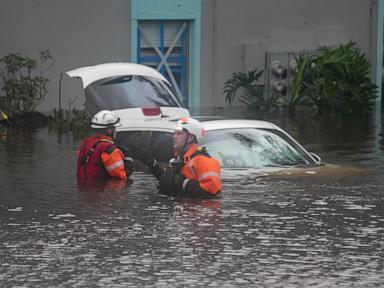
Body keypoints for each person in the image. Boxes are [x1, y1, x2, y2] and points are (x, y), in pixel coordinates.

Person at [137, 117, 222, 198]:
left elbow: (212, 191)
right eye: (174, 133)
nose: (174, 137)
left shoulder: (204, 161)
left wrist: (184, 182)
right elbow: (169, 180)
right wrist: (151, 164)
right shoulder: (180, 159)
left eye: (179, 133)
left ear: (191, 138)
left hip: (194, 211)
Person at [76, 110, 132, 181]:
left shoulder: (85, 143)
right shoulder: (110, 150)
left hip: (82, 189)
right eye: (114, 128)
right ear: (108, 130)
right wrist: (128, 159)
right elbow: (122, 176)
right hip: (102, 190)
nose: (115, 131)